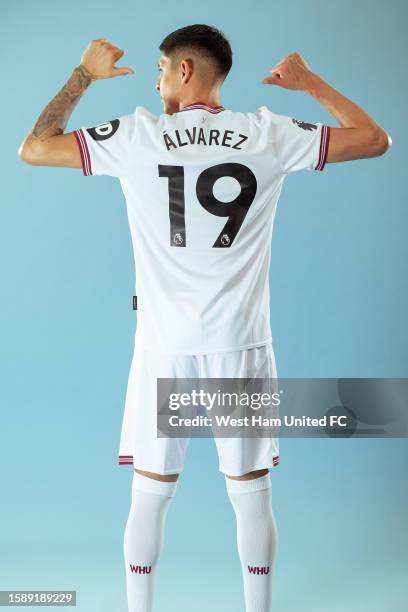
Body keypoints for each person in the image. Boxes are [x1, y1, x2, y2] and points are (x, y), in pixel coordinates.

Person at [18, 23, 391, 612]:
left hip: (163, 347)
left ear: (185, 71)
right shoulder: (267, 132)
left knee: (149, 495)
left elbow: (35, 146)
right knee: (251, 494)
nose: (157, 77)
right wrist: (308, 81)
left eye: (162, 67)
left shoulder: (137, 136)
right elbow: (374, 139)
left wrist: (84, 74)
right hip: (239, 345)